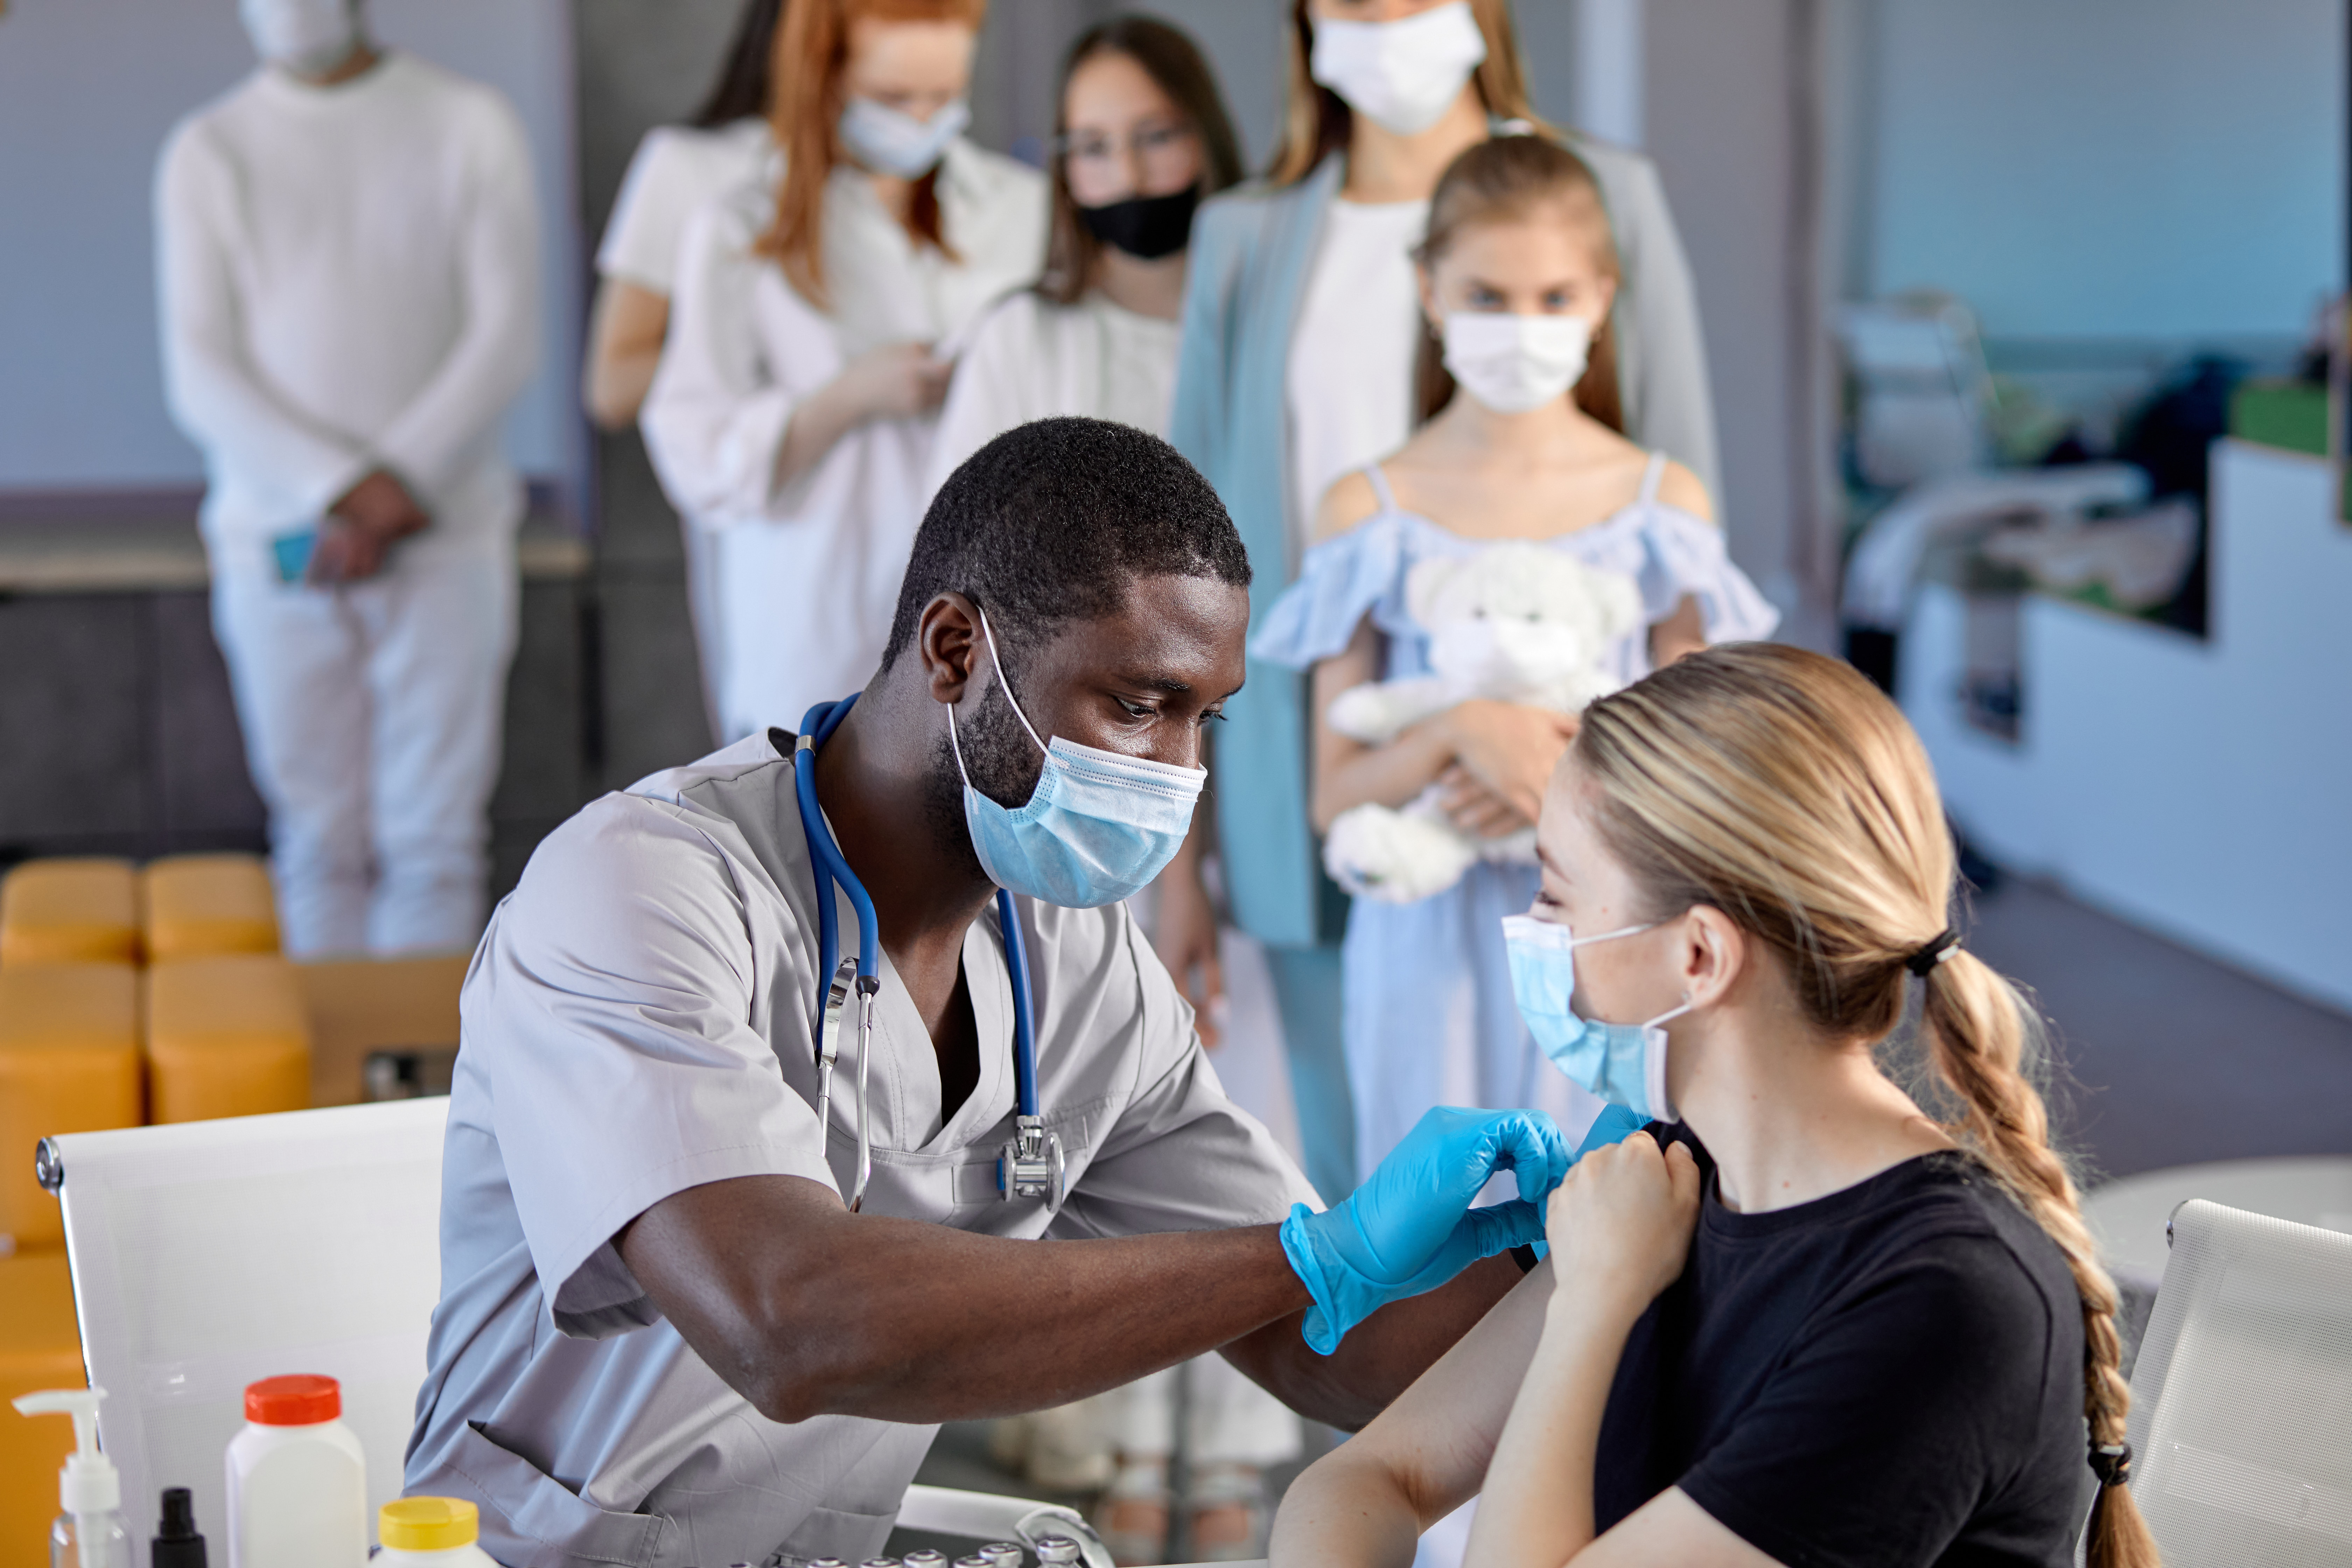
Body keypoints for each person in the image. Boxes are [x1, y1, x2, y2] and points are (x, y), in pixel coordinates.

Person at [404, 417, 1576, 1568]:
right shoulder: (643, 890)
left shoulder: (1078, 959)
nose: (1181, 774)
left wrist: (1629, 1270)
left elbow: (1321, 1344)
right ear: (956, 651)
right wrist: (1319, 1255)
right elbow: (785, 1320)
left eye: (1202, 719)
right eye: (1137, 703)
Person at [1269, 643, 2164, 1568]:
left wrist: (1594, 1301)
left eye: (1553, 894)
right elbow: (1361, 1482)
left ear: (1698, 957)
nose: (1534, 937)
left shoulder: (1946, 1301)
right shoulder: (1676, 1174)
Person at [1169, 0, 1718, 1211]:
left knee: (1614, 1198)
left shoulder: (1602, 192)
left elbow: (1677, 510)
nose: (1383, 15)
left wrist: (1581, 763)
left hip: (1596, 813)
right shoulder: (1250, 239)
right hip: (1333, 779)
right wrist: (1179, 861)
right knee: (1371, 1191)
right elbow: (1189, 565)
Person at [916, 20, 1297, 1552]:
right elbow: (975, 557)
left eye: (1151, 134)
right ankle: (1127, 1434)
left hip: (1240, 753)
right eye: (1087, 144)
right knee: (1093, 1094)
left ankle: (1232, 1450)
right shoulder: (1030, 330)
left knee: (1236, 1090)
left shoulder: (1256, 317)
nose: (1124, 172)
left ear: (1205, 134)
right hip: (1073, 753)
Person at [1253, 134, 1777, 1194]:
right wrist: (1461, 733)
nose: (1519, 328)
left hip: (1610, 934)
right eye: (1487, 295)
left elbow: (1698, 785)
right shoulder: (1369, 509)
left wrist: (1552, 785)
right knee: (1431, 1240)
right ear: (1429, 292)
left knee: (1609, 1227)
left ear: (1600, 297)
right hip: (1420, 951)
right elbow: (1333, 791)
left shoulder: (1660, 507)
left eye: (1550, 298)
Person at [156, 0, 540, 956]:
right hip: (277, 548)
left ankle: (413, 1094)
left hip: (444, 538)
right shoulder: (210, 150)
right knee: (317, 843)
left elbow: (507, 336)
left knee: (436, 844)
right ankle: (331, 1095)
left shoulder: (467, 123)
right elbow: (201, 369)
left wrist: (402, 478)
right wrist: (342, 486)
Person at [641, 0, 1048, 744]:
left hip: (994, 627)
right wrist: (846, 398)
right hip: (815, 626)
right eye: (895, 99)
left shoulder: (1021, 213)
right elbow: (691, 444)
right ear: (821, 79)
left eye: (944, 96)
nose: (924, 119)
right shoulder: (739, 229)